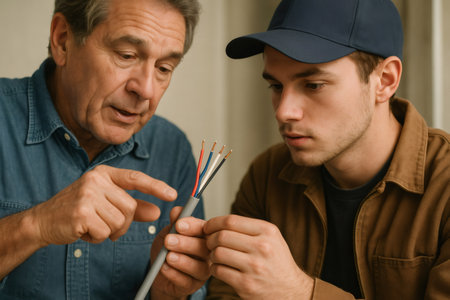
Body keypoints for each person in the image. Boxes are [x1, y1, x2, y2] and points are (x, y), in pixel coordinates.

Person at [204, 0, 450, 299]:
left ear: (384, 81)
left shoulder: (444, 185)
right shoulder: (268, 174)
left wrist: (302, 293)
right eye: (276, 86)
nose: (284, 112)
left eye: (314, 85)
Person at [0, 0, 210, 299]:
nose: (146, 90)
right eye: (126, 55)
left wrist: (166, 293)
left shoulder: (172, 149)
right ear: (62, 40)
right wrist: (37, 225)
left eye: (164, 68)